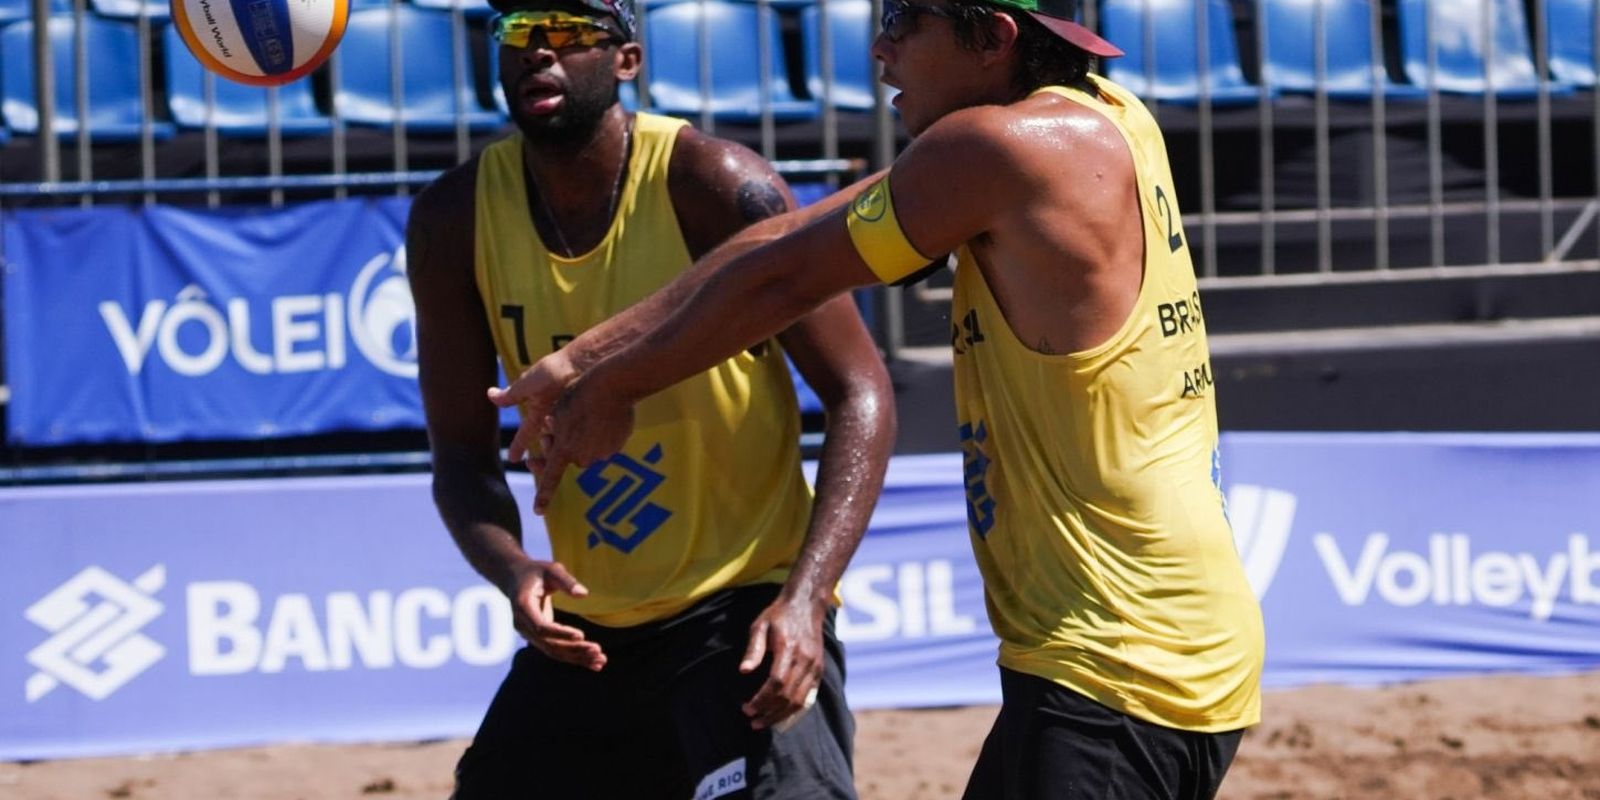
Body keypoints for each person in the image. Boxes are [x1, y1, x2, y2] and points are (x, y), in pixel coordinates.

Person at [494, 0, 1265, 796]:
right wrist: (587, 354)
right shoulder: (1100, 115)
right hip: (1153, 639)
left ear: (996, 38)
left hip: (1116, 658)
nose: (880, 46)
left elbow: (784, 281)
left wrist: (616, 384)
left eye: (906, 19)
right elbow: (778, 240)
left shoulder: (997, 148)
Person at [405, 0, 896, 795]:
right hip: (585, 633)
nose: (539, 54)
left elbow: (861, 388)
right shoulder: (451, 218)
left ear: (627, 60)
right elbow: (461, 454)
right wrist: (513, 570)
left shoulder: (715, 183)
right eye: (520, 35)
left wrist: (806, 599)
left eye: (567, 35)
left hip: (737, 611)